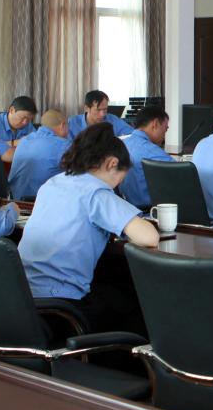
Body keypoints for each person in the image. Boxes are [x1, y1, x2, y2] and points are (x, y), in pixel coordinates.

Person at [18, 123, 158, 332]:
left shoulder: (52, 183)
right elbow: (149, 237)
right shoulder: (97, 194)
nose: (117, 186)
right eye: (120, 179)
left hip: (23, 298)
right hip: (61, 308)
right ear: (112, 163)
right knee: (135, 301)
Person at [7, 109, 71, 200]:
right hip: (39, 202)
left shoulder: (24, 140)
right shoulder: (63, 145)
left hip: (14, 199)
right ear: (63, 125)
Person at [119, 106, 174, 210]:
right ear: (155, 124)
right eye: (165, 129)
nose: (164, 135)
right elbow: (183, 175)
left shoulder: (123, 144)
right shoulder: (152, 151)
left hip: (126, 207)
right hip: (149, 210)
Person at [68, 90, 135, 139]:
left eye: (105, 109)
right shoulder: (73, 122)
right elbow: (67, 149)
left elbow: (132, 135)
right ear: (86, 108)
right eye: (98, 110)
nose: (102, 114)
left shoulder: (113, 120)